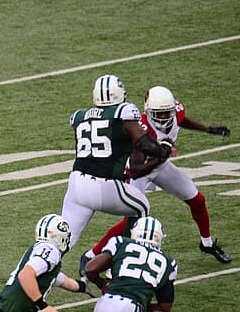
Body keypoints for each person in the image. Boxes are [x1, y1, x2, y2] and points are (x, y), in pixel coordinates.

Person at [77, 85, 232, 269]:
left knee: (197, 200)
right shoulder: (141, 129)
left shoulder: (176, 112)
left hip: (160, 165)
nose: (164, 118)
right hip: (137, 173)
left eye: (167, 113)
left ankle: (207, 243)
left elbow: (181, 119)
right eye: (160, 114)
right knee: (132, 219)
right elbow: (136, 170)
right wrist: (162, 155)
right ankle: (92, 254)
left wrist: (208, 129)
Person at [60, 74, 170, 267]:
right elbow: (145, 143)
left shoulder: (80, 116)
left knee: (62, 239)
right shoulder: (123, 112)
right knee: (141, 207)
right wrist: (163, 150)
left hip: (76, 185)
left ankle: (31, 269)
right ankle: (123, 260)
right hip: (103, 184)